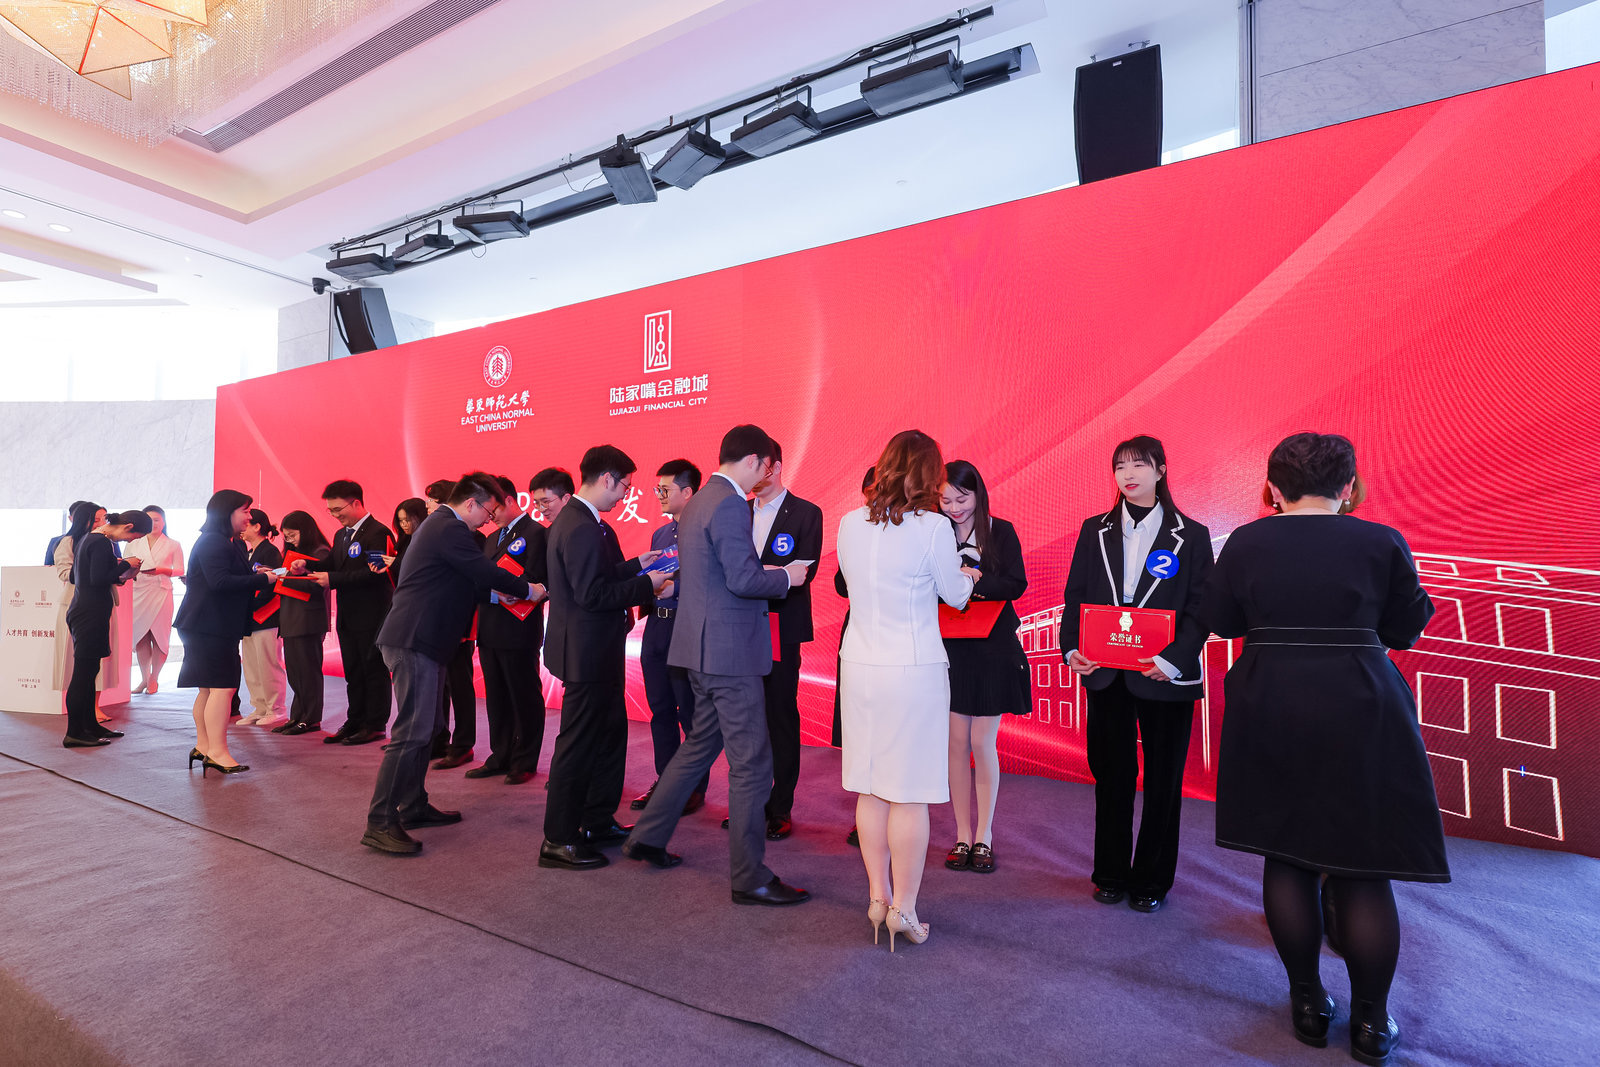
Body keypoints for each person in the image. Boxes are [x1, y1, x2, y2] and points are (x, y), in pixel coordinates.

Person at [1199, 432, 1445, 1064]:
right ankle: (1371, 1022)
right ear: (1348, 486)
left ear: (1273, 488)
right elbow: (1405, 629)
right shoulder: (1381, 541)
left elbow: (1221, 622)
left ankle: (1307, 1004)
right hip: (1361, 704)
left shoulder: (1246, 541)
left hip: (1270, 701)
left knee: (1287, 858)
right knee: (1364, 867)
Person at [623, 425, 810, 907]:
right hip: (728, 656)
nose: (767, 473)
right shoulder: (728, 504)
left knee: (698, 747)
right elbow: (743, 580)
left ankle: (648, 835)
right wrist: (786, 577)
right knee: (752, 764)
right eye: (766, 465)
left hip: (700, 651)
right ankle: (750, 877)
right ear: (753, 460)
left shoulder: (701, 500)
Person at [1059, 435, 1214, 914]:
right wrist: (1072, 649)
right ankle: (1109, 873)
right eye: (1120, 466)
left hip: (1165, 674)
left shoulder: (1192, 535)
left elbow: (1202, 607)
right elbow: (1075, 596)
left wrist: (1174, 659)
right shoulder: (1095, 530)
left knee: (1164, 779)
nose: (1128, 475)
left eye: (1139, 465)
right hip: (1106, 672)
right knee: (1112, 775)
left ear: (1161, 471)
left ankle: (1151, 880)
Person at [835, 430, 976, 948]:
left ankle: (878, 899)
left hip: (860, 666)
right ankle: (905, 910)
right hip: (912, 671)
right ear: (930, 474)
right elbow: (955, 595)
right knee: (910, 794)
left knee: (871, 788)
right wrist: (968, 574)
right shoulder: (933, 527)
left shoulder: (849, 523)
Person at [361, 474, 539, 855]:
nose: (488, 520)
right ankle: (379, 821)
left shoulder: (441, 527)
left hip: (424, 640)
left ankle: (412, 805)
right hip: (414, 640)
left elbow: (462, 582)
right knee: (411, 732)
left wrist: (499, 596)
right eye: (488, 512)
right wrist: (529, 589)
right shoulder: (448, 527)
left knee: (426, 729)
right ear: (471, 504)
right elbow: (482, 571)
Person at [538, 446, 669, 870]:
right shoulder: (579, 525)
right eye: (625, 486)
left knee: (610, 737)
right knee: (577, 746)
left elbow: (599, 576)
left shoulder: (587, 522)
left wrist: (635, 566)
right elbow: (592, 594)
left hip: (598, 651)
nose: (625, 495)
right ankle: (558, 839)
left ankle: (596, 820)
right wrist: (647, 584)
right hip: (586, 655)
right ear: (607, 479)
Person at [939, 461, 1030, 875]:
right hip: (948, 648)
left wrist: (974, 580)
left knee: (981, 741)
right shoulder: (933, 532)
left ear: (978, 495)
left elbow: (1016, 583)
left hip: (992, 647)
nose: (954, 507)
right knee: (956, 742)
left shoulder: (1000, 531)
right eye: (945, 500)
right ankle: (962, 834)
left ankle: (984, 835)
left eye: (962, 498)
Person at [749, 441, 822, 840]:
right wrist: (767, 574)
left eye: (757, 464)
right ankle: (751, 803)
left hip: (780, 627)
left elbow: (799, 574)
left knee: (779, 715)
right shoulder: (737, 511)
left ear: (775, 466)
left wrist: (749, 576)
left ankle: (780, 807)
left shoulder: (806, 513)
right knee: (747, 720)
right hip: (740, 627)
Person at [174, 490, 275, 775]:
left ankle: (205, 747)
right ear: (226, 512)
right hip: (209, 625)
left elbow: (227, 578)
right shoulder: (214, 542)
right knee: (222, 688)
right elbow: (219, 582)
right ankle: (217, 752)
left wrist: (257, 576)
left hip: (208, 624)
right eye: (245, 510)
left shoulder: (224, 541)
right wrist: (262, 580)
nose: (249, 517)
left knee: (209, 689)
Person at [293, 479, 395, 746]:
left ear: (356, 503)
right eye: (331, 511)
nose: (335, 515)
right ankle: (355, 719)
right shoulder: (342, 535)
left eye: (338, 509)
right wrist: (307, 565)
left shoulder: (378, 532)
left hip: (372, 613)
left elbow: (376, 574)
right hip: (348, 614)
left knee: (373, 669)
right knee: (353, 670)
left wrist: (333, 580)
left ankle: (375, 724)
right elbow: (332, 563)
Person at [631, 459, 707, 815]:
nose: (659, 495)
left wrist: (677, 588)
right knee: (660, 709)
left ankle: (692, 786)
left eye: (665, 489)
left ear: (688, 492)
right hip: (657, 630)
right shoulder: (660, 535)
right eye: (657, 489)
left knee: (689, 712)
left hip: (686, 628)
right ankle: (665, 780)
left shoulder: (706, 531)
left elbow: (710, 582)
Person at [465, 475, 549, 781]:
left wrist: (516, 588)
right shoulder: (491, 539)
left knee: (524, 696)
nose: (490, 515)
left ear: (510, 501)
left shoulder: (537, 533)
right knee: (497, 697)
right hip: (489, 628)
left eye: (495, 508)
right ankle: (500, 755)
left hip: (518, 629)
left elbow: (540, 580)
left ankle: (524, 761)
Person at [62, 510, 149, 747]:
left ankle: (89, 725)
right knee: (83, 674)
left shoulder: (90, 539)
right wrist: (126, 564)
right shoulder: (101, 542)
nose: (131, 541)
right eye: (134, 537)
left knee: (89, 672)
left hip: (85, 610)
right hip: (89, 613)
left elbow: (82, 577)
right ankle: (74, 732)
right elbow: (100, 578)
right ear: (128, 526)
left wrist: (121, 571)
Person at [422, 479, 482, 766]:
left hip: (461, 624)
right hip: (437, 622)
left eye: (432, 502)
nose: (428, 507)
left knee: (460, 684)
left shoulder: (473, 537)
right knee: (438, 686)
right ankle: (438, 739)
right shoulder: (435, 532)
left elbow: (474, 582)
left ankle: (463, 744)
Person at [834, 465, 875, 848]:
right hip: (860, 635)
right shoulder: (853, 525)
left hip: (908, 645)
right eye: (868, 495)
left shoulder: (927, 525)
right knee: (861, 734)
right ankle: (867, 818)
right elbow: (839, 582)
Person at [273, 510, 330, 735]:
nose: (289, 540)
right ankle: (297, 715)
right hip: (290, 618)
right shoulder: (292, 554)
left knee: (308, 672)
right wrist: (274, 573)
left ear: (305, 531)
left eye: (292, 535)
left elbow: (317, 585)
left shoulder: (321, 552)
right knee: (296, 672)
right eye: (286, 536)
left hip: (308, 619)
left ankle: (311, 718)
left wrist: (283, 578)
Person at [125, 505, 183, 695]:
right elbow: (124, 567)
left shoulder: (173, 544)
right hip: (138, 592)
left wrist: (161, 570)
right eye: (149, 520)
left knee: (160, 637)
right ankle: (144, 678)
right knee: (141, 637)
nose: (153, 523)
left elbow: (180, 570)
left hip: (161, 592)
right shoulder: (133, 543)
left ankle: (154, 678)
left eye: (157, 520)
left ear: (164, 521)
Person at [52, 502, 106, 705]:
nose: (101, 524)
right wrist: (91, 568)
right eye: (97, 519)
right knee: (80, 665)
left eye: (104, 519)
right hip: (76, 605)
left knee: (96, 664)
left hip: (99, 605)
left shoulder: (104, 541)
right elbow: (64, 573)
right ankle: (80, 715)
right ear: (84, 520)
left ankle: (93, 709)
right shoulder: (68, 541)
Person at [239, 510, 289, 728]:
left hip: (266, 616)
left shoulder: (270, 551)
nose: (242, 529)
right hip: (249, 617)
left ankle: (276, 709)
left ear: (257, 526)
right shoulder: (249, 551)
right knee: (251, 665)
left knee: (268, 664)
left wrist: (251, 606)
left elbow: (274, 584)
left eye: (246, 524)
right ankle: (259, 707)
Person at [389, 497, 429, 577]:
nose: (403, 524)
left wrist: (396, 564)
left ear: (420, 517)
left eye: (407, 520)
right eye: (400, 520)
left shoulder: (427, 541)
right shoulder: (405, 538)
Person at [44, 500, 89, 566]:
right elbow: (47, 568)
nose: (81, 519)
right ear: (70, 518)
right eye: (77, 516)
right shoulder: (56, 541)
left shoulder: (95, 539)